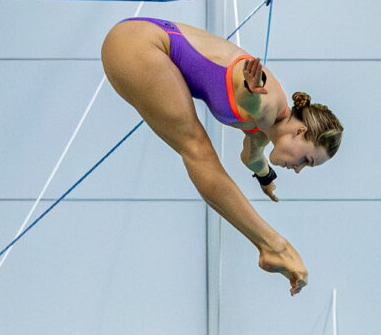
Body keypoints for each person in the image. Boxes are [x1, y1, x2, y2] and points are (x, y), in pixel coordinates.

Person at [101, 16, 343, 296]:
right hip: (139, 43)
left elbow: (251, 158)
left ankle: (272, 246)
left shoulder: (262, 131)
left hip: (138, 42)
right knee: (198, 150)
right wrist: (252, 88)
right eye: (306, 160)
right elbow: (253, 100)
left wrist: (266, 178)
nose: (299, 169)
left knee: (197, 147)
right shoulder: (268, 105)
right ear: (300, 132)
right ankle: (274, 246)